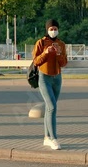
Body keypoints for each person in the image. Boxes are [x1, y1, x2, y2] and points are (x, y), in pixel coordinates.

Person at [32, 19, 68, 150]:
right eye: (51, 29)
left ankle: (46, 137)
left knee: (49, 108)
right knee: (52, 107)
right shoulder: (41, 43)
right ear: (47, 30)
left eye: (55, 29)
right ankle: (54, 138)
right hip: (44, 77)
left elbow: (64, 63)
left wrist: (58, 53)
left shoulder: (61, 44)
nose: (53, 31)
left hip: (57, 78)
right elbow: (36, 61)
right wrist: (46, 53)